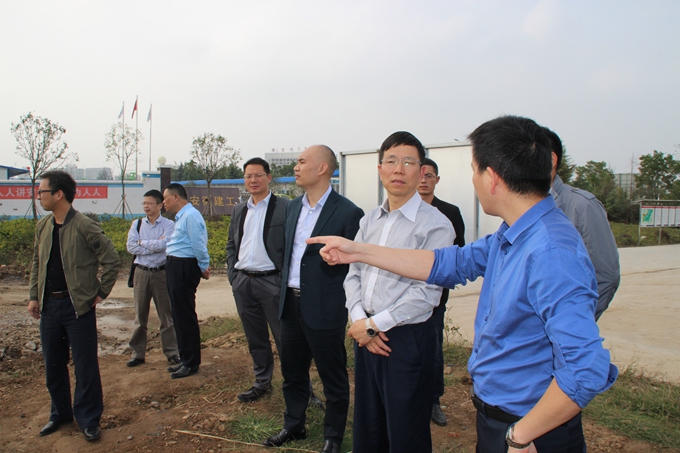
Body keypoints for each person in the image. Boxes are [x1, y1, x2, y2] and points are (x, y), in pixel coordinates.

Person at [308, 116, 618, 452]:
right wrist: (358, 251)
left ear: (492, 178)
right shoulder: (512, 234)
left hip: (531, 428)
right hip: (501, 415)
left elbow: (585, 368)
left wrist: (521, 435)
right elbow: (448, 264)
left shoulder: (551, 251)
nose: (473, 180)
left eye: (473, 170)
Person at [343, 132, 454, 453]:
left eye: (408, 162)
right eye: (391, 161)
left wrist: (374, 325)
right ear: (380, 170)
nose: (399, 169)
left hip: (405, 340)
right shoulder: (369, 220)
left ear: (421, 172)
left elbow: (427, 294)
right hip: (365, 335)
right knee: (369, 426)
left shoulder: (436, 225)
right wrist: (360, 320)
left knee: (406, 432)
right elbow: (353, 274)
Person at [262, 145, 364, 453]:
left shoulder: (348, 213)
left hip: (325, 307)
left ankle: (333, 437)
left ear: (322, 168)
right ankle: (294, 425)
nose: (296, 167)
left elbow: (355, 267)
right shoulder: (292, 207)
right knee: (292, 373)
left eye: (301, 161)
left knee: (333, 377)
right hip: (290, 305)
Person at [28, 170, 121, 442]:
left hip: (77, 307)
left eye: (42, 191)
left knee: (85, 366)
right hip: (49, 307)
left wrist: (100, 292)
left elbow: (111, 259)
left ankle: (88, 419)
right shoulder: (44, 226)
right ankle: (60, 414)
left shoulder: (84, 226)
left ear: (59, 194)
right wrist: (34, 296)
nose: (38, 196)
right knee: (53, 365)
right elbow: (37, 262)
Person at [544, 127, 620, 320]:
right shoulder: (520, 207)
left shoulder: (583, 206)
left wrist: (574, 323)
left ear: (551, 160)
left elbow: (606, 276)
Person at [227, 157, 287, 402]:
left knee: (285, 337)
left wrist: (282, 280)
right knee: (255, 337)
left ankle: (300, 387)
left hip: (272, 283)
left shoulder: (285, 207)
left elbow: (292, 246)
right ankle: (262, 381)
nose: (253, 180)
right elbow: (232, 244)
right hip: (243, 282)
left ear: (268, 177)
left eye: (258, 175)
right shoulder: (239, 209)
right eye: (248, 176)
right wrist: (233, 275)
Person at [417, 157, 465, 427]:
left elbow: (458, 252)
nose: (424, 180)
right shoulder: (403, 210)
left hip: (434, 295)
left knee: (433, 349)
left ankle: (434, 400)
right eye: (420, 175)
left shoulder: (449, 212)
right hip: (401, 291)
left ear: (437, 180)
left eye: (429, 176)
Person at [125, 189, 180, 368]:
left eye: (149, 203)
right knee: (140, 316)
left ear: (159, 205)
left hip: (162, 273)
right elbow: (131, 247)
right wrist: (155, 245)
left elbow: (167, 244)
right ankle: (138, 354)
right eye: (144, 203)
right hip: (141, 272)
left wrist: (142, 243)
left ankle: (172, 353)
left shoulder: (169, 225)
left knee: (166, 315)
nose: (146, 206)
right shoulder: (137, 224)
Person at [162, 183, 211, 379]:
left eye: (165, 198)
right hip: (176, 266)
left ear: (176, 197)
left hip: (183, 267)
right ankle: (185, 358)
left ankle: (191, 363)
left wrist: (203, 267)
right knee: (178, 314)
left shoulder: (190, 216)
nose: (163, 202)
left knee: (185, 315)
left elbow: (198, 244)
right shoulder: (182, 216)